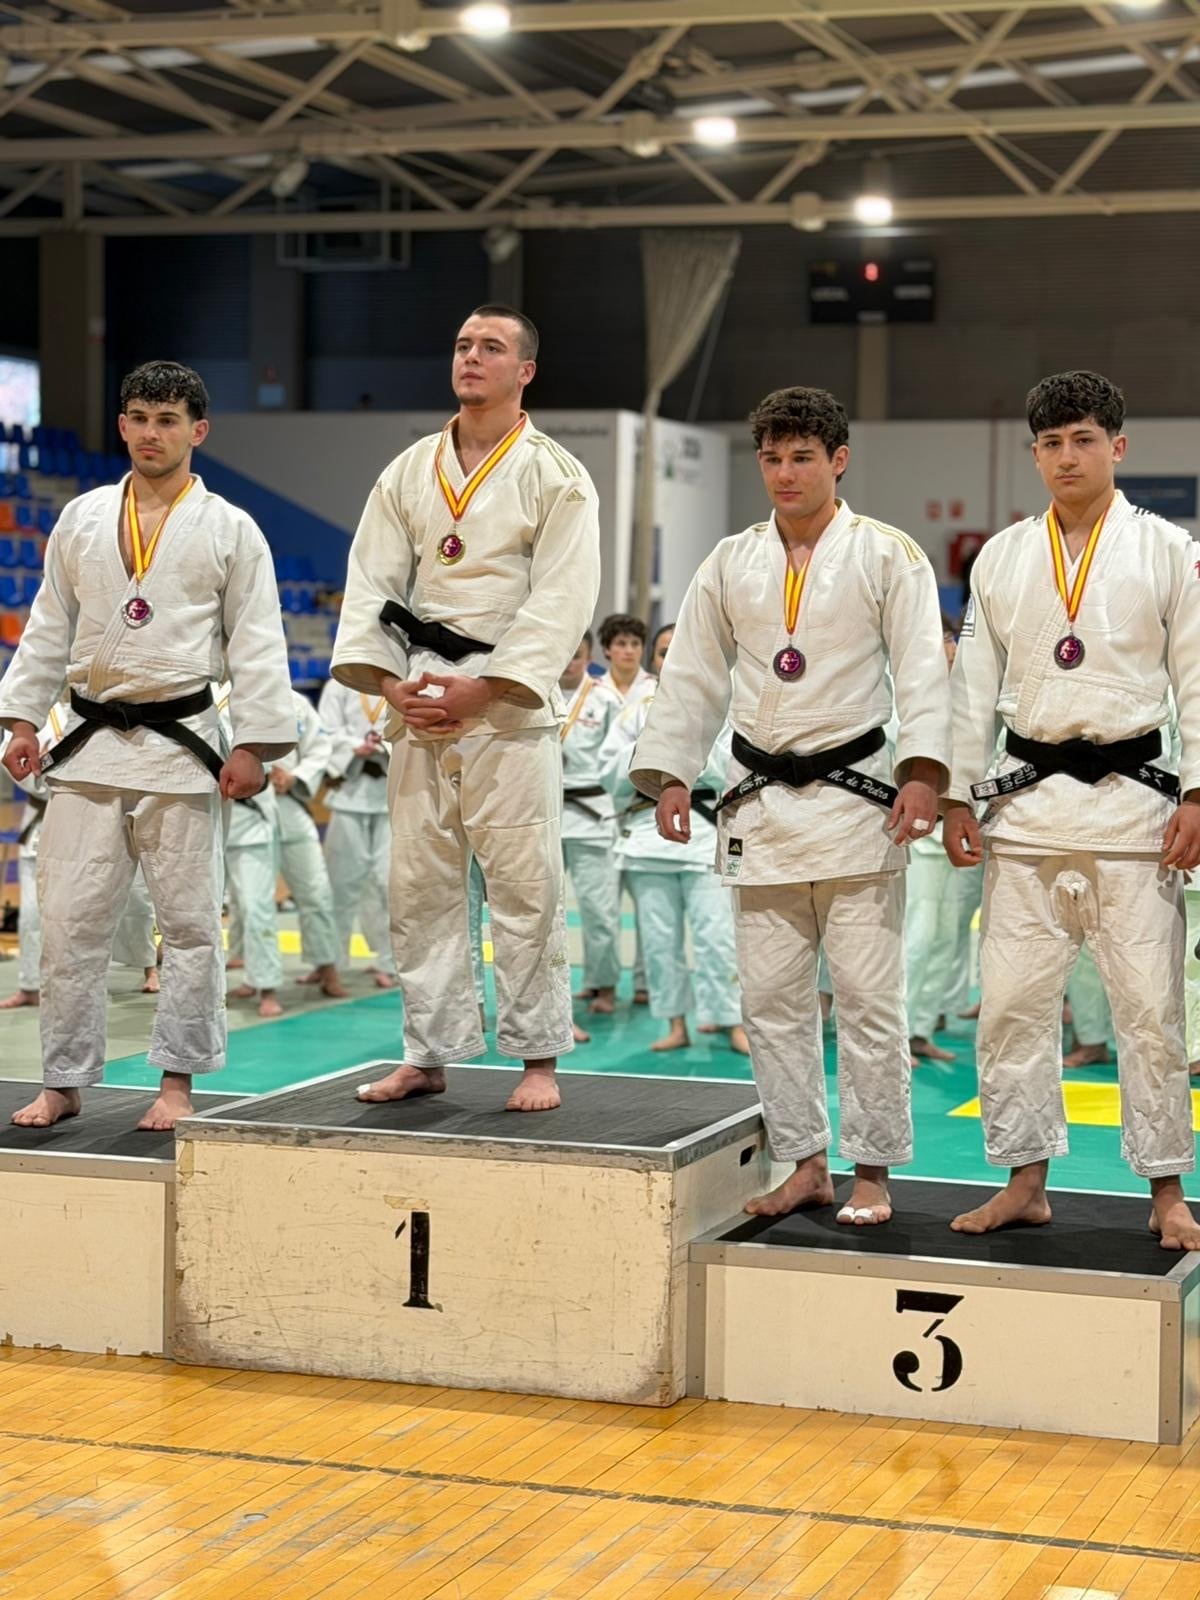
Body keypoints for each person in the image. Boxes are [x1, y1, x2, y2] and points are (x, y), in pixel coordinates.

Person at [631, 386, 951, 1224]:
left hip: (859, 807)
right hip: (761, 810)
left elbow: (923, 670)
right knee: (771, 1005)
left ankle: (872, 1169)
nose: (784, 472)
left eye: (802, 456)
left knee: (869, 1003)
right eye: (771, 458)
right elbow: (693, 676)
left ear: (838, 460)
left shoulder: (888, 555)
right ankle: (806, 1161)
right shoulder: (730, 561)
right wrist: (671, 773)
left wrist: (924, 771)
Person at [0, 360, 295, 1129]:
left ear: (198, 431)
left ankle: (176, 1081)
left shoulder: (231, 528)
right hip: (89, 746)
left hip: (181, 746)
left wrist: (255, 745)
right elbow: (48, 624)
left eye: (167, 421)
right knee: (69, 924)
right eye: (138, 418)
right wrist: (21, 718)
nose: (150, 433)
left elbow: (258, 641)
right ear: (122, 424)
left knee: (190, 926)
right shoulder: (84, 518)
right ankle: (63, 1079)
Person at [943, 370, 1200, 1249]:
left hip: (1135, 811)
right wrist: (956, 793)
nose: (1066, 457)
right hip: (1026, 811)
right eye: (1050, 443)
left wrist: (1198, 789)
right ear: (1034, 454)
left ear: (1117, 447)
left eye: (1083, 440)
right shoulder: (1003, 556)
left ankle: (1167, 1189)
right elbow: (972, 688)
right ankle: (1024, 1181)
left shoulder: (1168, 549)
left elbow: (1196, 676)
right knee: (1013, 1006)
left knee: (1150, 1011)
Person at [330, 305, 601, 1112]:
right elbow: (372, 583)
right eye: (462, 345)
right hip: (418, 697)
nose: (471, 357)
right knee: (420, 887)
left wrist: (489, 685)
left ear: (526, 371)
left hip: (505, 704)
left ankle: (538, 1058)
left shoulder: (555, 475)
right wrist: (390, 686)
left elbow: (563, 598)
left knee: (524, 886)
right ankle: (428, 1052)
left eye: (491, 347)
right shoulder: (408, 470)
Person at [603, 624, 748, 1055]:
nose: (672, 659)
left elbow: (733, 769)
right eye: (664, 652)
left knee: (717, 936)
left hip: (706, 835)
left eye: (679, 649)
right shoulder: (635, 713)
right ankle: (675, 1022)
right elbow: (607, 773)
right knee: (659, 940)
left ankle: (731, 1020)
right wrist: (649, 755)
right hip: (648, 837)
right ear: (655, 661)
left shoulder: (725, 706)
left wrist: (685, 760)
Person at [559, 631, 623, 1030]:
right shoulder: (534, 693)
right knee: (545, 914)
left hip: (593, 814)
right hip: (547, 812)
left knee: (599, 909)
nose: (569, 662)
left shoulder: (605, 699)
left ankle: (604, 984)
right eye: (565, 654)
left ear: (588, 657)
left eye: (577, 655)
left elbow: (621, 759)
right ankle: (554, 990)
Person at [315, 677, 397, 988]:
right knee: (340, 884)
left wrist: (384, 744)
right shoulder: (339, 685)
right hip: (349, 794)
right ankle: (332, 962)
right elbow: (325, 731)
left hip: (391, 796)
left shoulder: (402, 679)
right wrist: (355, 746)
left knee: (389, 884)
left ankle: (388, 962)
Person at [905, 615, 960, 1066]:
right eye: (940, 637)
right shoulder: (907, 692)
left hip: (954, 829)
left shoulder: (969, 692)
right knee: (917, 937)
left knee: (944, 938)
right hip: (917, 835)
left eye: (952, 637)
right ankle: (898, 1033)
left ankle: (921, 1029)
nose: (950, 646)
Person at [271, 689, 345, 999]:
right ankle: (255, 975)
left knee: (315, 890)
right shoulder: (223, 697)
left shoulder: (296, 703)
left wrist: (295, 776)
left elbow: (319, 748)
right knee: (248, 898)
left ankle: (326, 966)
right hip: (242, 807)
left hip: (291, 803)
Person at [597, 614, 653, 704]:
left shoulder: (656, 688)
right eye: (621, 644)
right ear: (607, 649)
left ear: (642, 649)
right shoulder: (592, 689)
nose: (629, 651)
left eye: (635, 644)